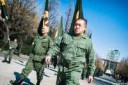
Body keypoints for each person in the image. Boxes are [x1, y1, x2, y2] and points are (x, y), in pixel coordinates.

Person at [45, 18, 96, 85]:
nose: (77, 27)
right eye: (75, 24)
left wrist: (90, 74)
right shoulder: (66, 36)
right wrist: (50, 54)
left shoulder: (88, 42)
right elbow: (56, 46)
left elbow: (91, 59)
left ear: (85, 28)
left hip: (75, 70)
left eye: (79, 25)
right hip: (62, 69)